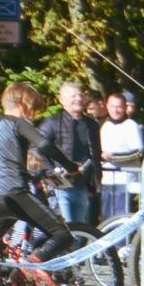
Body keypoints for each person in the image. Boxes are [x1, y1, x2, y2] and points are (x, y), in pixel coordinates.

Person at [0, 82, 81, 263]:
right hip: (14, 193)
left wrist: (29, 174)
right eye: (34, 108)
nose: (34, 114)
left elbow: (1, 161)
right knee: (62, 235)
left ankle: (4, 282)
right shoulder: (18, 123)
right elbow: (44, 144)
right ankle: (29, 267)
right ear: (23, 104)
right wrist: (70, 166)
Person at [39, 81, 102, 227]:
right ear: (61, 100)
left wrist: (95, 184)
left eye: (80, 94)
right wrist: (52, 174)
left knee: (81, 231)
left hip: (83, 186)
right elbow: (37, 149)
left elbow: (95, 156)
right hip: (59, 186)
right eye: (73, 95)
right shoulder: (52, 122)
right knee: (64, 229)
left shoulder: (91, 124)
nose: (78, 98)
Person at [99, 92, 144, 218]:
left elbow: (138, 151)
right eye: (113, 106)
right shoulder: (105, 126)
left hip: (125, 179)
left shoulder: (131, 126)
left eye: (119, 106)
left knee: (120, 216)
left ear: (125, 107)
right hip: (108, 179)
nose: (116, 110)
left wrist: (112, 157)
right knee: (107, 216)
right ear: (107, 106)